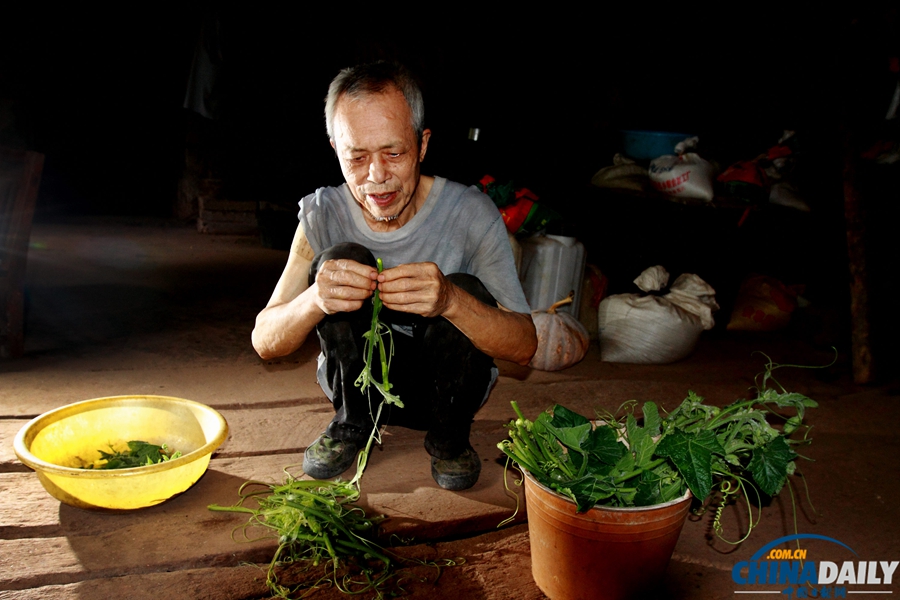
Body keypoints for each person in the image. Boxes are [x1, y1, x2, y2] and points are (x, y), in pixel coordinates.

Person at [251, 61, 537, 491]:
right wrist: (316, 298)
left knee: (466, 290)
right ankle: (351, 425)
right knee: (340, 258)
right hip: (357, 390)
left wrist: (451, 302)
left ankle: (449, 438)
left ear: (422, 145)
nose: (377, 177)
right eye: (357, 157)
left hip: (446, 392)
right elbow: (265, 341)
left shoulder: (469, 214)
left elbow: (525, 348)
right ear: (335, 150)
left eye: (394, 153)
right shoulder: (321, 213)